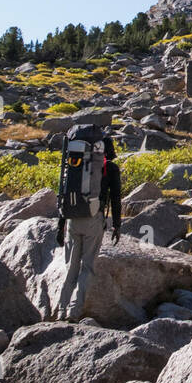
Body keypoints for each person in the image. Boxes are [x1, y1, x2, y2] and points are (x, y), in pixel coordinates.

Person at [55, 132, 121, 321]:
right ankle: (74, 312)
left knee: (71, 267)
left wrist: (60, 226)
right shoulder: (110, 168)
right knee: (87, 267)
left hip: (72, 220)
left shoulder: (76, 164)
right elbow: (115, 199)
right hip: (94, 219)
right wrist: (116, 225)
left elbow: (65, 195)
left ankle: (61, 310)